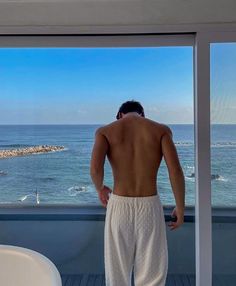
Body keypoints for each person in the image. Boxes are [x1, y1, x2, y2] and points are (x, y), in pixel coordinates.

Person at [90, 100, 185, 286]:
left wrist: (100, 188)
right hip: (149, 206)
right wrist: (180, 208)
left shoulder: (105, 132)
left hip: (119, 206)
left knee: (117, 272)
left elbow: (95, 170)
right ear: (143, 114)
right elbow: (176, 172)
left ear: (119, 115)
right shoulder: (161, 130)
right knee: (152, 275)